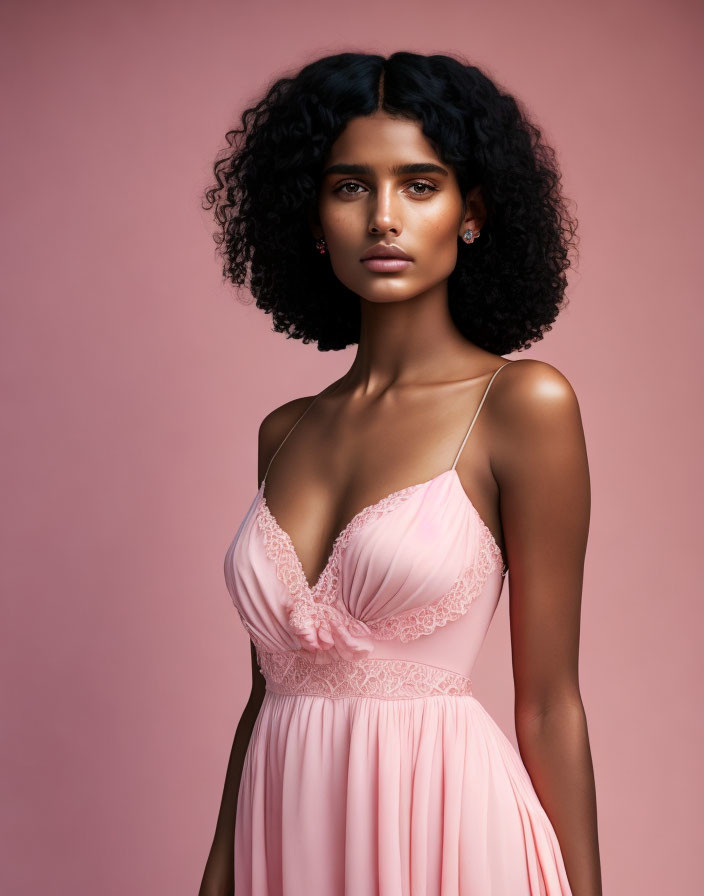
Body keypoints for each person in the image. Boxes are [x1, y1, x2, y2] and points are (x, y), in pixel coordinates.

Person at [199, 51, 601, 896]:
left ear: (472, 212)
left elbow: (550, 704)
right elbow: (262, 698)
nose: (384, 218)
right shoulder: (285, 432)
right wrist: (217, 874)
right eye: (350, 187)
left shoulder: (523, 403)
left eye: (420, 184)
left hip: (450, 837)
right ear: (313, 217)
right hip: (287, 838)